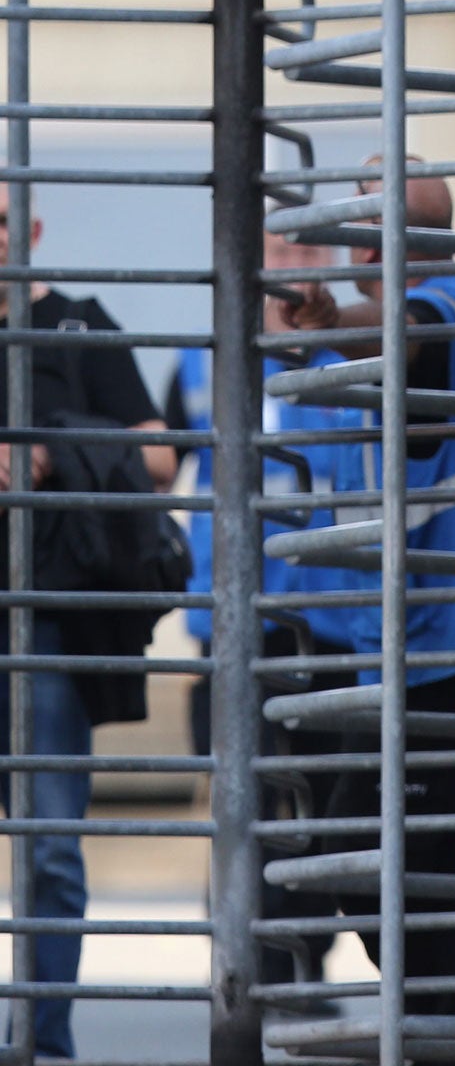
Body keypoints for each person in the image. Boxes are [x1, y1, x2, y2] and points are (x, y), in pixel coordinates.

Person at [286, 166, 455, 1006]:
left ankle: (445, 1035)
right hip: (411, 647)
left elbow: (409, 333)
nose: (356, 246)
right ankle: (443, 1032)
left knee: (402, 867)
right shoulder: (422, 323)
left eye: (369, 227)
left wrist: (326, 320)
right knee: (411, 869)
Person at [0, 189, 176, 1060]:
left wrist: (50, 446)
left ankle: (40, 1045)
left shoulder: (78, 324)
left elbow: (159, 455)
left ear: (31, 232)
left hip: (53, 628)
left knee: (49, 853)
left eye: (1, 220)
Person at [166, 231, 356, 991]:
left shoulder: (350, 353)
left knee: (322, 801)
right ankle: (248, 971)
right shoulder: (200, 355)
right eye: (279, 249)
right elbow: (158, 458)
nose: (294, 267)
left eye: (311, 253)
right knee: (244, 804)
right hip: (235, 621)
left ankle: (302, 961)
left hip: (334, 619)